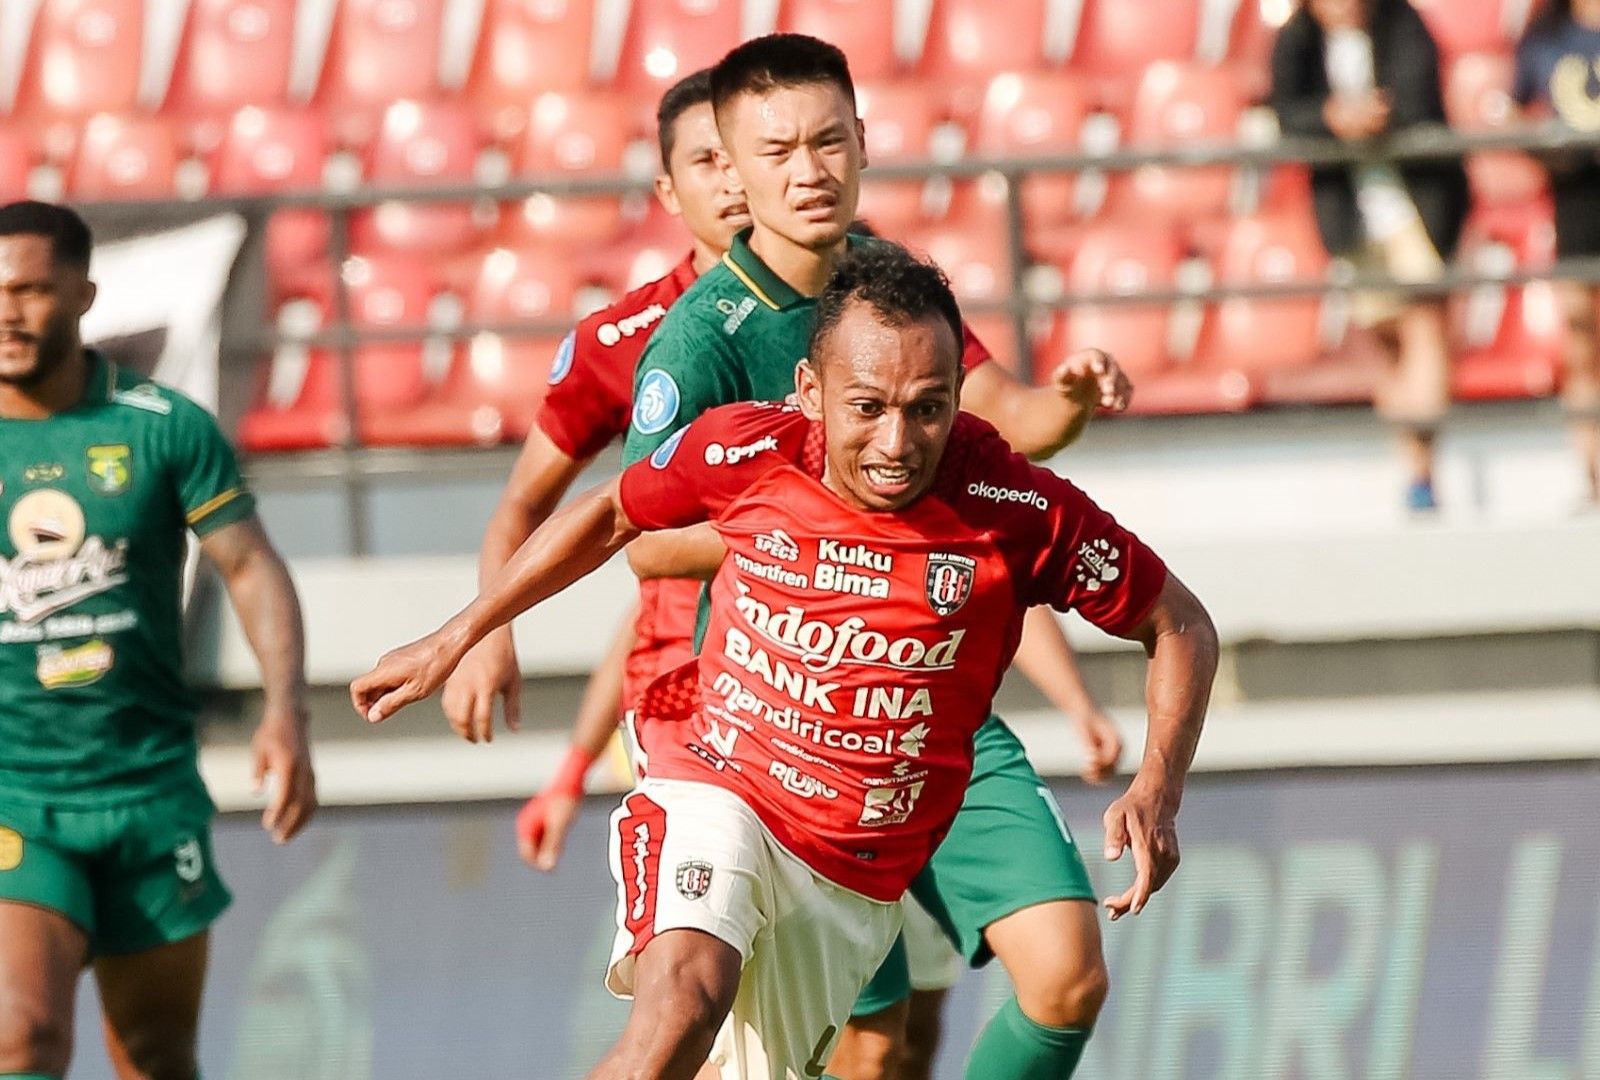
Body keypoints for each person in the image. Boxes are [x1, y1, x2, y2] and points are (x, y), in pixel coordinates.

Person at [351, 243, 1217, 1080]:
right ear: (811, 391)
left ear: (960, 396)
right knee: (680, 1008)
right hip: (722, 786)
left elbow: (1178, 621)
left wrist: (1157, 788)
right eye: (867, 407)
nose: (897, 441)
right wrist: (458, 632)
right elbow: (613, 512)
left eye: (928, 407)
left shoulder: (1014, 506)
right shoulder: (746, 447)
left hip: (851, 870)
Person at [621, 35, 1135, 1080]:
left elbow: (1006, 438)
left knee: (1068, 977)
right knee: (864, 1040)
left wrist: (1071, 403)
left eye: (826, 145)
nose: (809, 172)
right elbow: (640, 537)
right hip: (793, 720)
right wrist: (812, 536)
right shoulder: (702, 338)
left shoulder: (885, 286)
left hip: (937, 701)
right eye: (777, 152)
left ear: (863, 142)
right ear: (728, 165)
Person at [0, 201, 318, 1080]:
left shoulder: (161, 425)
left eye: (30, 291)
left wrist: (286, 714)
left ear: (84, 295)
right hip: (4, 796)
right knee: (23, 1039)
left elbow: (250, 568)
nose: (6, 313)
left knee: (159, 1058)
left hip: (149, 790)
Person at [437, 69, 748, 869]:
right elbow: (529, 511)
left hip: (856, 667)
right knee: (693, 969)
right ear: (668, 189)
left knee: (909, 991)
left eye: (746, 152)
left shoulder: (863, 312)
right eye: (706, 161)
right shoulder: (622, 340)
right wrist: (490, 632)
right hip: (691, 696)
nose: (734, 177)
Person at [1269, 0, 1469, 513]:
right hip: (1351, 214)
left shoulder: (1402, 24)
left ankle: (1423, 471)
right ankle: (1412, 465)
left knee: (1425, 325)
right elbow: (1286, 113)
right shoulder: (1298, 41)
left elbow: (1421, 98)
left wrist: (1377, 118)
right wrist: (1330, 119)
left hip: (1415, 206)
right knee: (1388, 340)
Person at [1515, 0, 1600, 507]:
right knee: (1581, 344)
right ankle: (1592, 476)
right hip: (1575, 204)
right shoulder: (1545, 35)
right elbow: (1521, 110)